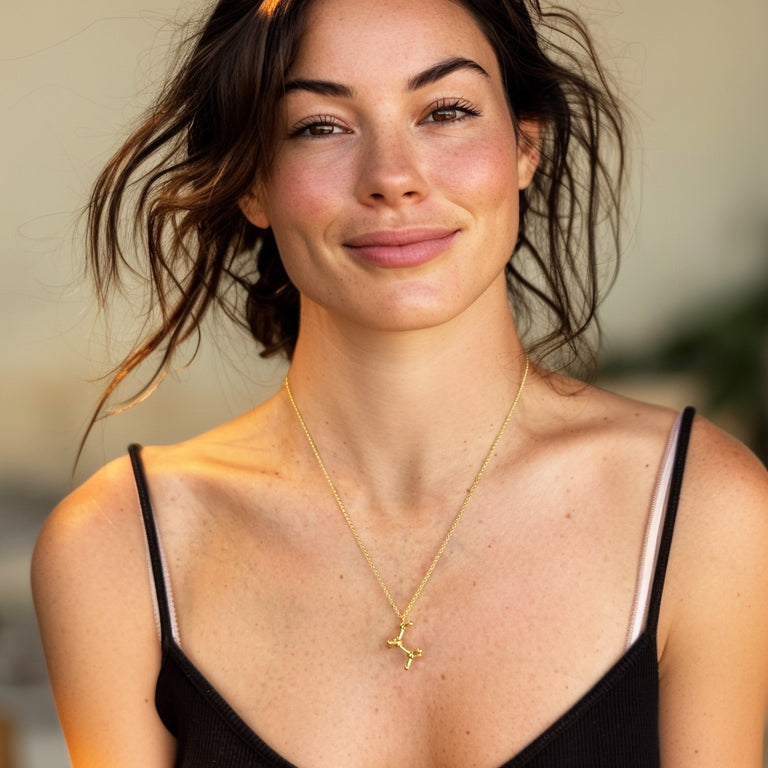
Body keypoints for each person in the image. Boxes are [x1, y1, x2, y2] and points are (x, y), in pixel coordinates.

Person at [31, 0, 768, 765]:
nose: (392, 179)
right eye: (320, 125)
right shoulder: (117, 548)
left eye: (444, 111)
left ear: (525, 144)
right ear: (252, 182)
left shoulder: (702, 511)